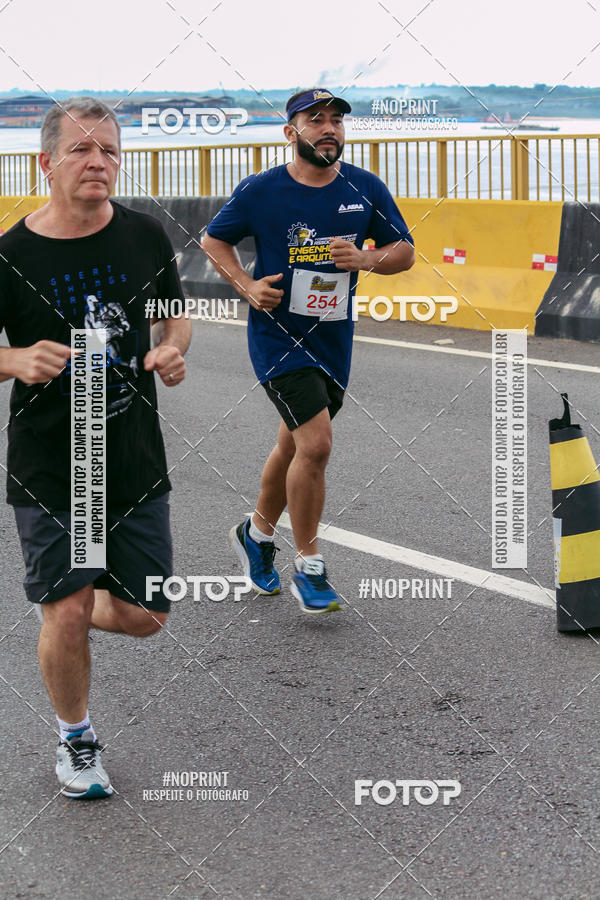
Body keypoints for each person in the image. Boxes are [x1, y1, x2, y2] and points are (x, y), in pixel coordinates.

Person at [0, 97, 191, 798]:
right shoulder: (11, 255)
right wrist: (14, 360)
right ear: (44, 163)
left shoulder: (142, 237)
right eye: (82, 149)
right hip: (54, 462)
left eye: (109, 150)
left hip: (134, 454)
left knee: (148, 615)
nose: (98, 162)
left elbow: (174, 318)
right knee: (70, 607)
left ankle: (76, 604)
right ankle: (75, 737)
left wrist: (170, 352)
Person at [203, 88, 414, 615]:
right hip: (277, 337)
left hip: (333, 338)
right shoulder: (261, 190)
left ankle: (255, 535)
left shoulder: (364, 187)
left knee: (295, 447)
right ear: (290, 132)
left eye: (337, 120)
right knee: (316, 444)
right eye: (315, 120)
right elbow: (213, 240)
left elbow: (403, 252)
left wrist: (366, 260)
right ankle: (311, 566)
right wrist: (246, 286)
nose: (330, 128)